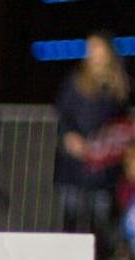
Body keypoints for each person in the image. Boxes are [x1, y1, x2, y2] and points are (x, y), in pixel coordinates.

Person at [55, 33, 130, 239]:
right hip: (74, 167)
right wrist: (69, 136)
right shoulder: (75, 82)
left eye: (97, 48)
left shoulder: (118, 86)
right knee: (71, 223)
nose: (93, 53)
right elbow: (63, 114)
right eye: (90, 49)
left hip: (104, 169)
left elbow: (121, 124)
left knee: (101, 224)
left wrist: (110, 144)